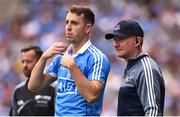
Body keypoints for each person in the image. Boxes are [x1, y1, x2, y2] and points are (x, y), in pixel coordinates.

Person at [28, 5, 110, 116]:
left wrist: (72, 67)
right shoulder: (61, 57)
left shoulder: (97, 58)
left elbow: (92, 96)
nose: (68, 27)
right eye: (67, 22)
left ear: (87, 28)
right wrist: (43, 58)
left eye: (74, 23)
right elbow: (33, 86)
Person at [105, 19, 165, 116]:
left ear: (137, 41)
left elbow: (153, 112)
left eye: (121, 39)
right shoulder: (134, 67)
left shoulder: (146, 68)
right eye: (115, 40)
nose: (115, 44)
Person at [9, 46, 56, 116]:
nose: (24, 65)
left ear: (40, 62)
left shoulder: (53, 89)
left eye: (28, 61)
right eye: (23, 61)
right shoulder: (17, 91)